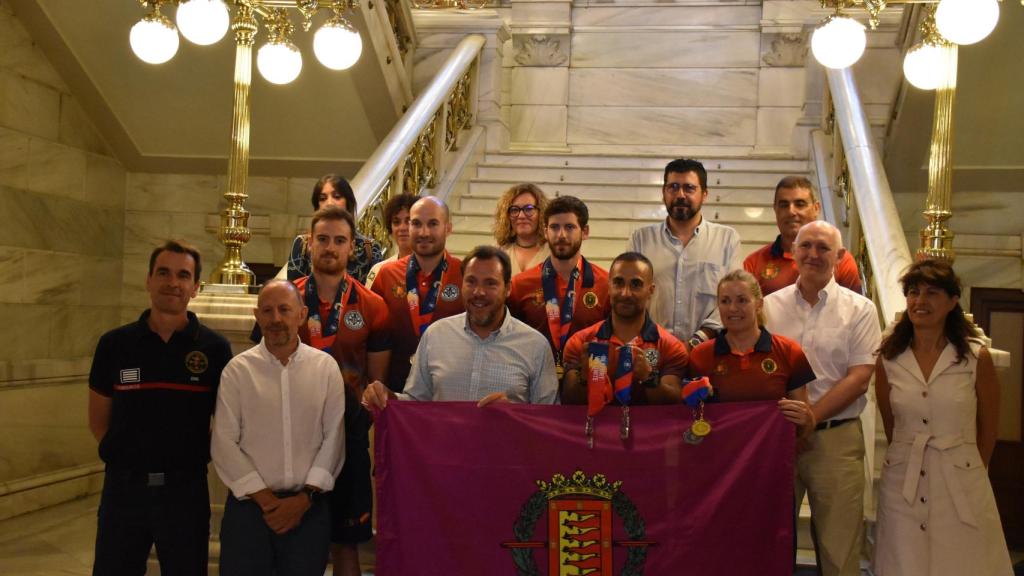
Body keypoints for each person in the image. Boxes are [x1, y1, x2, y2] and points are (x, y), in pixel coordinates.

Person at [88, 240, 233, 576]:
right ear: (148, 280)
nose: (173, 283)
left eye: (183, 275)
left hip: (184, 492)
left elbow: (223, 422)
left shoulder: (214, 349)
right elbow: (98, 420)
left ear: (195, 287)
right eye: (163, 273)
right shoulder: (114, 345)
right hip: (124, 491)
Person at [873, 260, 1013, 576]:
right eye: (913, 292)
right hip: (903, 479)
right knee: (903, 560)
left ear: (951, 301)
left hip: (960, 479)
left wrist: (971, 467)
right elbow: (891, 423)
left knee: (964, 560)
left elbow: (988, 427)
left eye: (932, 293)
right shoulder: (889, 358)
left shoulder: (976, 357)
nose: (920, 301)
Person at [763, 221, 881, 576]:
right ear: (794, 251)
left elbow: (860, 378)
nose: (813, 254)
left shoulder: (860, 310)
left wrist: (810, 418)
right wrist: (792, 425)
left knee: (839, 548)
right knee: (770, 540)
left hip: (837, 439)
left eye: (823, 248)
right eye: (806, 246)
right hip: (778, 440)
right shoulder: (768, 307)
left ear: (840, 256)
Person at [212, 280, 345, 576]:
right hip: (250, 512)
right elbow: (223, 442)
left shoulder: (325, 369)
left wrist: (302, 500)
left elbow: (334, 438)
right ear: (257, 316)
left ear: (301, 314)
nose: (275, 319)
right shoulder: (238, 371)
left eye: (284, 310)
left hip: (308, 510)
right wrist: (268, 502)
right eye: (267, 311)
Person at [298, 206, 391, 576]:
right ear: (309, 244)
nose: (330, 248)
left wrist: (350, 419)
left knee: (346, 543)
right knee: (300, 543)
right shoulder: (285, 301)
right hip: (296, 434)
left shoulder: (373, 306)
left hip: (348, 438)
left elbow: (375, 382)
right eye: (323, 239)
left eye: (339, 240)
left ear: (352, 247)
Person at [363, 245, 558, 408]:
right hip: (443, 453)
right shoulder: (436, 336)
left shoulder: (535, 347)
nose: (479, 292)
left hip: (507, 453)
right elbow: (416, 403)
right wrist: (388, 397)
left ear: (507, 289)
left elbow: (547, 421)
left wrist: (515, 414)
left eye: (490, 283)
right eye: (471, 282)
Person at [627, 158, 742, 349]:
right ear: (663, 193)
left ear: (704, 194)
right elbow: (630, 296)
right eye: (673, 187)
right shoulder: (641, 239)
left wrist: (697, 341)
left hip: (709, 350)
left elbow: (734, 298)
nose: (680, 195)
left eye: (689, 188)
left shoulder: (727, 239)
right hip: (652, 350)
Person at [688, 269, 817, 438]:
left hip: (770, 459)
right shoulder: (701, 355)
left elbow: (805, 426)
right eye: (725, 301)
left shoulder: (788, 351)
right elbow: (689, 419)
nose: (733, 308)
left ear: (759, 304)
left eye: (742, 300)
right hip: (718, 458)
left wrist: (806, 419)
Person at [561, 252, 689, 406]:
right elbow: (568, 401)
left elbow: (674, 404)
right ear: (608, 287)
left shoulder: (671, 347)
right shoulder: (580, 342)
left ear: (651, 290)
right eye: (618, 283)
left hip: (647, 430)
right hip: (595, 429)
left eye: (636, 284)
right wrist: (584, 377)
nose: (625, 293)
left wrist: (649, 378)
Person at [369, 196, 465, 392]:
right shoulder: (386, 275)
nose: (424, 232)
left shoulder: (465, 274)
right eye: (416, 224)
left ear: (448, 228)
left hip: (450, 391)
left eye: (433, 224)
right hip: (397, 390)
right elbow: (376, 337)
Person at [509, 196, 610, 377]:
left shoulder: (606, 284)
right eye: (555, 227)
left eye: (569, 227)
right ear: (546, 231)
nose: (561, 235)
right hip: (533, 384)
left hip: (584, 387)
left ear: (585, 231)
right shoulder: (520, 284)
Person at [743, 176, 862, 296]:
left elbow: (854, 309)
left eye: (800, 204)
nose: (791, 211)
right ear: (775, 210)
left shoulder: (840, 260)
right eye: (784, 205)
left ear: (816, 208)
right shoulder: (754, 264)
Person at [288, 174, 383, 284]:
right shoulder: (302, 244)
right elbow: (293, 293)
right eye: (323, 198)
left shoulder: (370, 247)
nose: (329, 203)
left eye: (337, 197)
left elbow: (373, 293)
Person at [493, 183, 550, 273]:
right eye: (514, 210)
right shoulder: (498, 253)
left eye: (529, 209)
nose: (521, 216)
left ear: (541, 213)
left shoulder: (553, 252)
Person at [365, 193, 417, 289]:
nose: (402, 228)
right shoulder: (378, 271)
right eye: (396, 222)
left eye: (408, 221)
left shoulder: (435, 270)